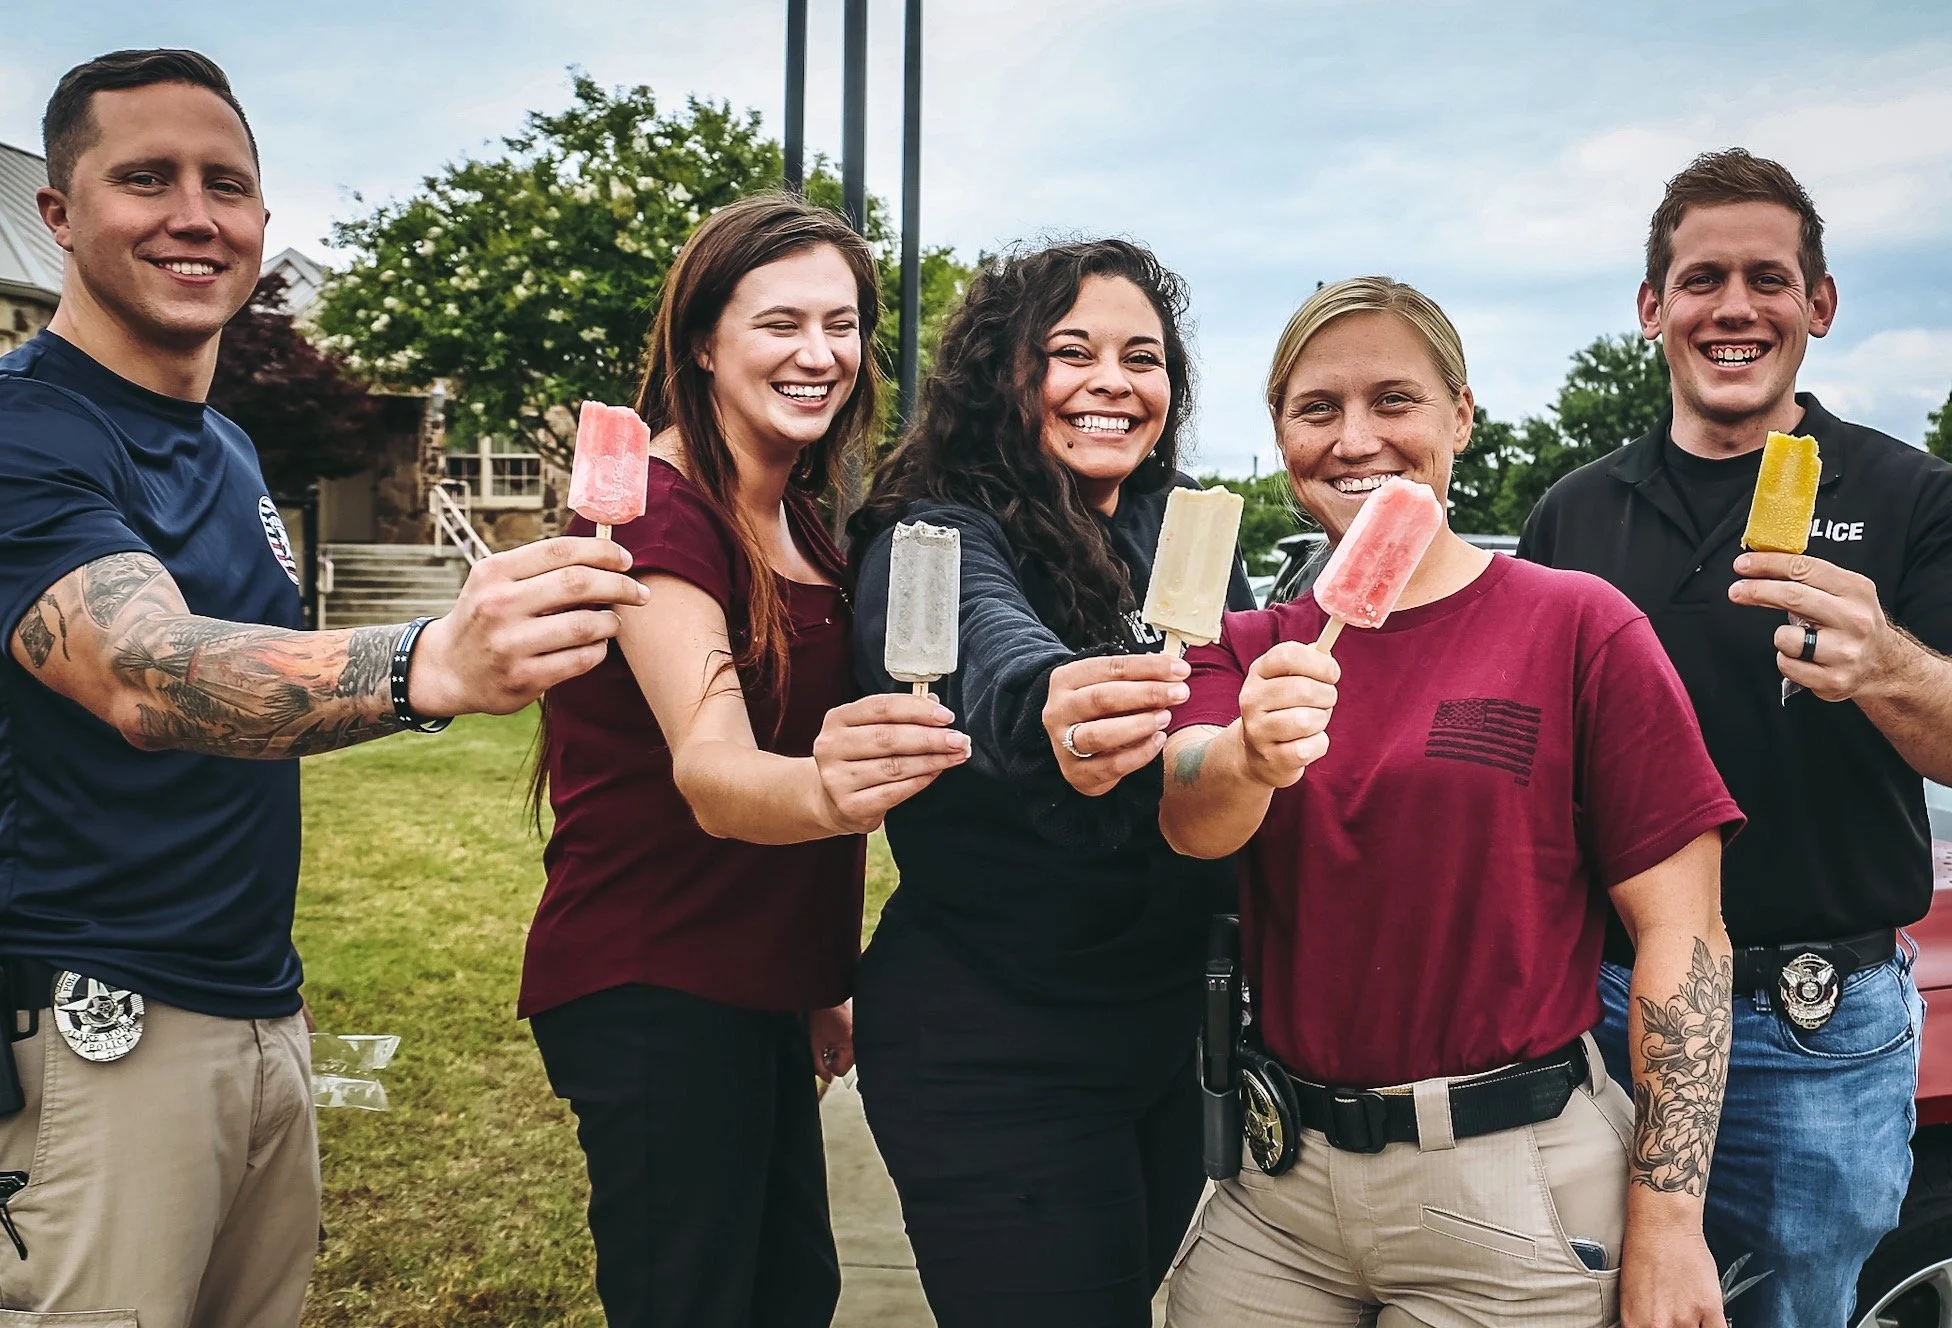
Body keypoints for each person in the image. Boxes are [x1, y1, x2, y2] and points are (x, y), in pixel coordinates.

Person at [0, 49, 645, 1328]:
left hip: (260, 1005)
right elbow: (146, 669)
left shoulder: (227, 443)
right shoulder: (27, 432)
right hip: (94, 1029)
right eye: (146, 177)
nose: (196, 212)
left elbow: (260, 696)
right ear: (58, 215)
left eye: (225, 184)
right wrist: (432, 661)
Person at [1518, 148, 1952, 1327]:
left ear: (1818, 304)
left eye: (1768, 276)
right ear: (1652, 308)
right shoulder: (1574, 511)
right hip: (1599, 1007)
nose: (1734, 306)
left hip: (1814, 1028)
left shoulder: (1916, 497)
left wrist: (1885, 664)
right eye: (1701, 278)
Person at [1158, 277, 1743, 1328]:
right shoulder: (1242, 645)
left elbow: (1684, 934)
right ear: (1280, 433)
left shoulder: (1576, 625)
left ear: (1459, 417)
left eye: (1394, 399)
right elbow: (1189, 810)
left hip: (1509, 1184)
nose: (1354, 438)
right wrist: (1247, 752)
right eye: (1316, 408)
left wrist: (1667, 1217)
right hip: (1274, 1188)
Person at [519, 192, 967, 1328]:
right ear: (703, 342)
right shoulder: (658, 521)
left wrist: (815, 977)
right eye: (779, 324)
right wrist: (833, 784)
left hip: (753, 980)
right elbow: (715, 769)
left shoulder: (799, 517)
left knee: (788, 1293)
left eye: (843, 322)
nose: (819, 354)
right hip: (654, 976)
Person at [847, 239, 1253, 1328]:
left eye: (1143, 356)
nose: (1112, 381)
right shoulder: (931, 532)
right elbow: (985, 648)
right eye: (1069, 351)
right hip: (994, 1049)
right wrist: (1055, 703)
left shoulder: (1179, 537)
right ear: (1001, 375)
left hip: (1160, 1038)